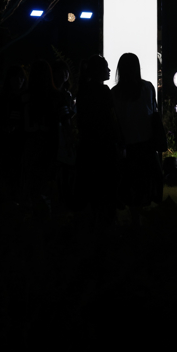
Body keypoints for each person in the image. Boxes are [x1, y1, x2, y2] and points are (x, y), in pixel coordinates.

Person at [111, 52, 162, 227]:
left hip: (127, 146)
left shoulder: (115, 93)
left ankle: (134, 220)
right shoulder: (147, 88)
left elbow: (116, 120)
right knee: (144, 184)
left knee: (130, 184)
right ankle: (140, 220)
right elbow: (153, 112)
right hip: (146, 144)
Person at [75, 55, 122, 226]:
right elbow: (111, 118)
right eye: (106, 67)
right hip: (105, 146)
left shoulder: (82, 91)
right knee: (106, 187)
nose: (109, 70)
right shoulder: (104, 91)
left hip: (88, 145)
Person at [22, 59, 60, 217]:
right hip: (49, 144)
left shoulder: (26, 97)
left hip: (30, 144)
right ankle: (46, 216)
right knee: (46, 184)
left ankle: (33, 215)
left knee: (32, 184)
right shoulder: (55, 96)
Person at [0, 65, 26, 205]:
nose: (19, 80)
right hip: (9, 143)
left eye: (21, 78)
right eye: (16, 77)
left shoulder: (7, 99)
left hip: (13, 143)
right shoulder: (16, 99)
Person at [52, 60, 78, 211]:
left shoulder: (66, 94)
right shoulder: (61, 95)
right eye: (61, 71)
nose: (64, 74)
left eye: (66, 72)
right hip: (59, 137)